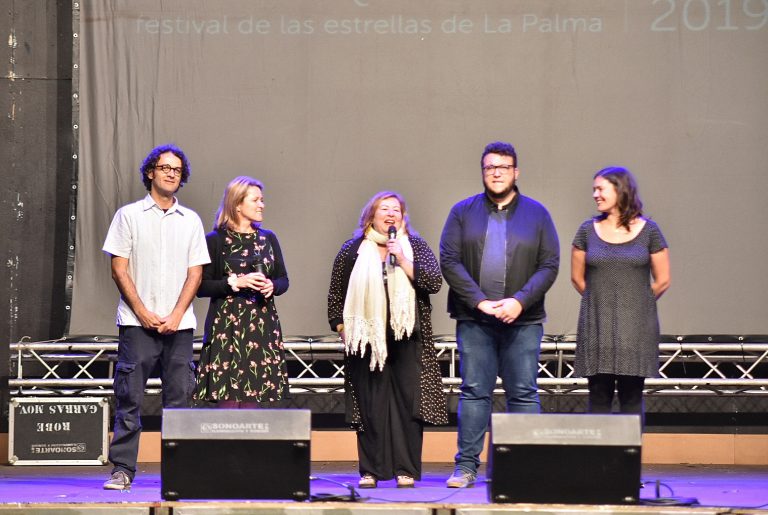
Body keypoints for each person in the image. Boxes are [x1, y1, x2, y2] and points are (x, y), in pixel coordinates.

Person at [440, 141, 560, 488]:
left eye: (503, 167)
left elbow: (549, 264)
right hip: (475, 320)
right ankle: (466, 467)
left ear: (515, 172)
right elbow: (450, 260)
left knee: (523, 393)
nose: (496, 173)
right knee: (474, 392)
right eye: (490, 167)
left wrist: (519, 302)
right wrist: (479, 301)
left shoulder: (537, 214)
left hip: (523, 321)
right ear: (483, 172)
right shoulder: (462, 212)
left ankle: (525, 468)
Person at [102, 144, 210, 490]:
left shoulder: (190, 220)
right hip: (137, 325)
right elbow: (119, 270)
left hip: (179, 327)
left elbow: (195, 273)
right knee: (129, 399)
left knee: (180, 401)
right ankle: (123, 469)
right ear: (150, 172)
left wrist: (176, 314)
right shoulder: (129, 216)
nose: (171, 174)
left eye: (177, 170)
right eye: (165, 168)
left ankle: (179, 472)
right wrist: (143, 312)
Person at [327, 191, 447, 489]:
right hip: (367, 341)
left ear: (403, 217)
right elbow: (335, 295)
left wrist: (403, 259)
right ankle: (371, 470)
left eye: (396, 209)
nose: (391, 213)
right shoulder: (352, 250)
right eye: (384, 208)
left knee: (408, 406)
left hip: (407, 337)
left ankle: (405, 469)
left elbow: (433, 282)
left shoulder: (414, 246)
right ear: (371, 215)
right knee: (371, 406)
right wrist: (342, 328)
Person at [570, 166, 670, 423]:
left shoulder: (650, 231)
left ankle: (630, 450)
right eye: (594, 189)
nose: (595, 194)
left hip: (635, 330)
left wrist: (635, 303)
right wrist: (601, 301)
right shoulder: (587, 230)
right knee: (598, 397)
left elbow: (662, 280)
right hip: (597, 326)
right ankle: (598, 451)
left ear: (620, 189)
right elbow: (577, 279)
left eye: (600, 189)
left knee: (632, 397)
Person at [193, 176, 289, 407]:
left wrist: (273, 286)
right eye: (255, 200)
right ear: (237, 204)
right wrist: (236, 282)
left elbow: (283, 280)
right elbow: (201, 287)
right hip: (227, 329)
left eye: (262, 200)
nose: (261, 205)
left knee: (252, 399)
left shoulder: (268, 238)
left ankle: (249, 433)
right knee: (227, 400)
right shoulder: (216, 240)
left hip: (260, 327)